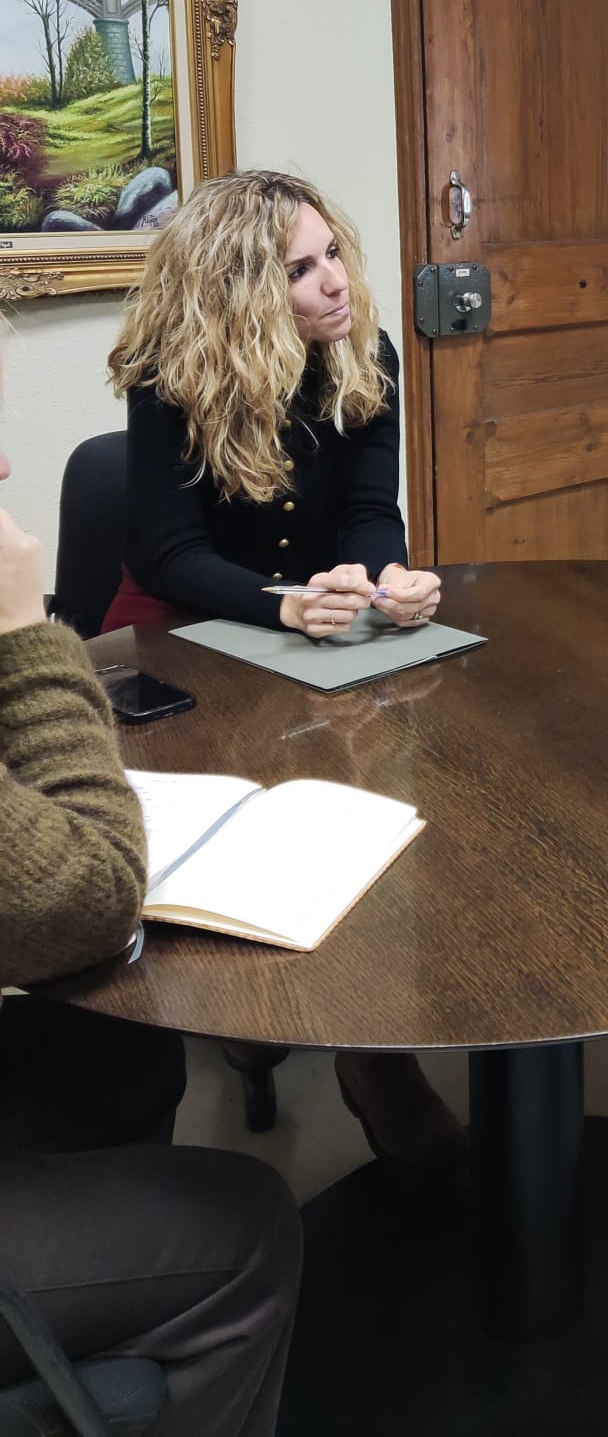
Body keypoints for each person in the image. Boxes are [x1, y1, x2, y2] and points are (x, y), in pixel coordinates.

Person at [104, 168, 461, 1167]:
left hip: (310, 614)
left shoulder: (364, 355)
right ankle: (240, 1010)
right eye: (300, 270)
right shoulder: (170, 375)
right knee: (215, 826)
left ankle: (364, 1054)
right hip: (179, 621)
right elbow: (173, 555)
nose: (334, 283)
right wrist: (283, 603)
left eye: (333, 253)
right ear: (243, 290)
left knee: (352, 798)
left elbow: (366, 510)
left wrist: (389, 574)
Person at [0, 448, 301, 1435]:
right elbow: (91, 894)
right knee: (248, 1224)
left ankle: (109, 1320)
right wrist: (19, 630)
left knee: (113, 1042)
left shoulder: (358, 372)